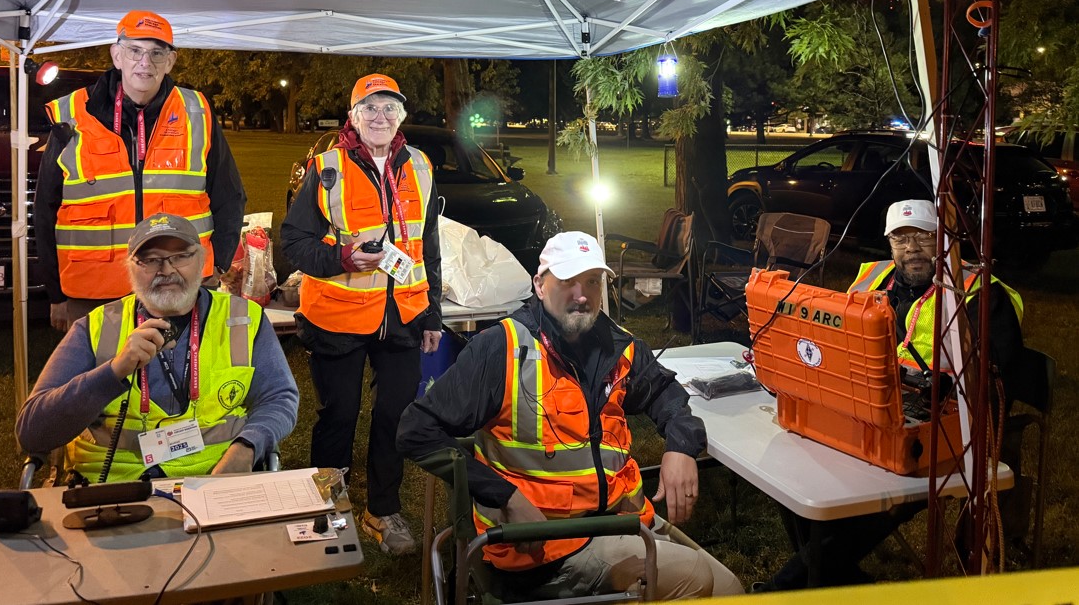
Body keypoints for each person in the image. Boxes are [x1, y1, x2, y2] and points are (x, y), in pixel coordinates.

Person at [397, 231, 744, 600]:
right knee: (693, 577)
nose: (582, 295)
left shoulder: (618, 345)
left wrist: (682, 444)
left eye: (592, 281)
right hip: (542, 550)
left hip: (619, 521)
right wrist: (505, 496)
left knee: (732, 590)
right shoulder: (503, 348)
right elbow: (416, 429)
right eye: (568, 282)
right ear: (539, 285)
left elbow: (663, 392)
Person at [757, 199, 1024, 590]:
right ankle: (837, 575)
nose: (911, 248)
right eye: (901, 238)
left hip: (942, 433)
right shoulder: (871, 279)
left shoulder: (980, 294)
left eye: (923, 237)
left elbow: (999, 386)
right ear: (889, 243)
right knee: (796, 473)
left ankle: (781, 589)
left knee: (882, 503)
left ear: (944, 242)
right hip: (864, 410)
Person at [281, 73, 442, 556]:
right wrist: (344, 259)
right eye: (369, 107)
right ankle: (328, 510)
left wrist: (432, 313)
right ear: (353, 116)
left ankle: (382, 510)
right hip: (338, 317)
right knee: (339, 416)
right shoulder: (326, 167)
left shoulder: (420, 165)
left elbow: (429, 245)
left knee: (395, 415)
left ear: (401, 116)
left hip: (404, 316)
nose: (380, 116)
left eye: (389, 108)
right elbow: (294, 242)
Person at [16, 213, 299, 483]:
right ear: (130, 268)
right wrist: (114, 372)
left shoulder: (243, 318)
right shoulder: (95, 327)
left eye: (181, 256)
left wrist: (247, 447)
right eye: (151, 260)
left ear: (202, 261)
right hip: (112, 491)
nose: (167, 270)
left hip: (215, 484)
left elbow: (279, 398)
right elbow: (32, 432)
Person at [35, 10, 246, 332]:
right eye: (135, 50)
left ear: (170, 61)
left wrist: (216, 266)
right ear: (116, 55)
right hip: (93, 292)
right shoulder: (71, 116)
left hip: (179, 286)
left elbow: (230, 195)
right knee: (103, 367)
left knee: (181, 365)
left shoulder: (197, 113)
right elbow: (45, 208)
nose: (145, 62)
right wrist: (55, 293)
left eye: (157, 53)